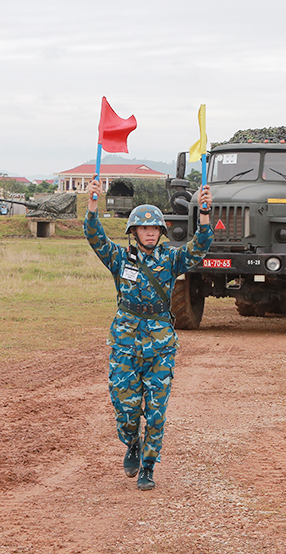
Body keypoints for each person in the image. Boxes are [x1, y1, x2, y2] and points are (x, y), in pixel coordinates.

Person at [84, 178, 214, 491]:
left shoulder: (171, 259)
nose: (151, 232)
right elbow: (95, 237)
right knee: (126, 409)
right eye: (144, 229)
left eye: (155, 228)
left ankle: (148, 467)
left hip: (160, 347)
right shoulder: (119, 259)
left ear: (161, 232)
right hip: (126, 344)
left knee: (155, 413)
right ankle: (132, 443)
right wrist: (92, 205)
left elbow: (199, 246)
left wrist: (206, 215)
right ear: (134, 232)